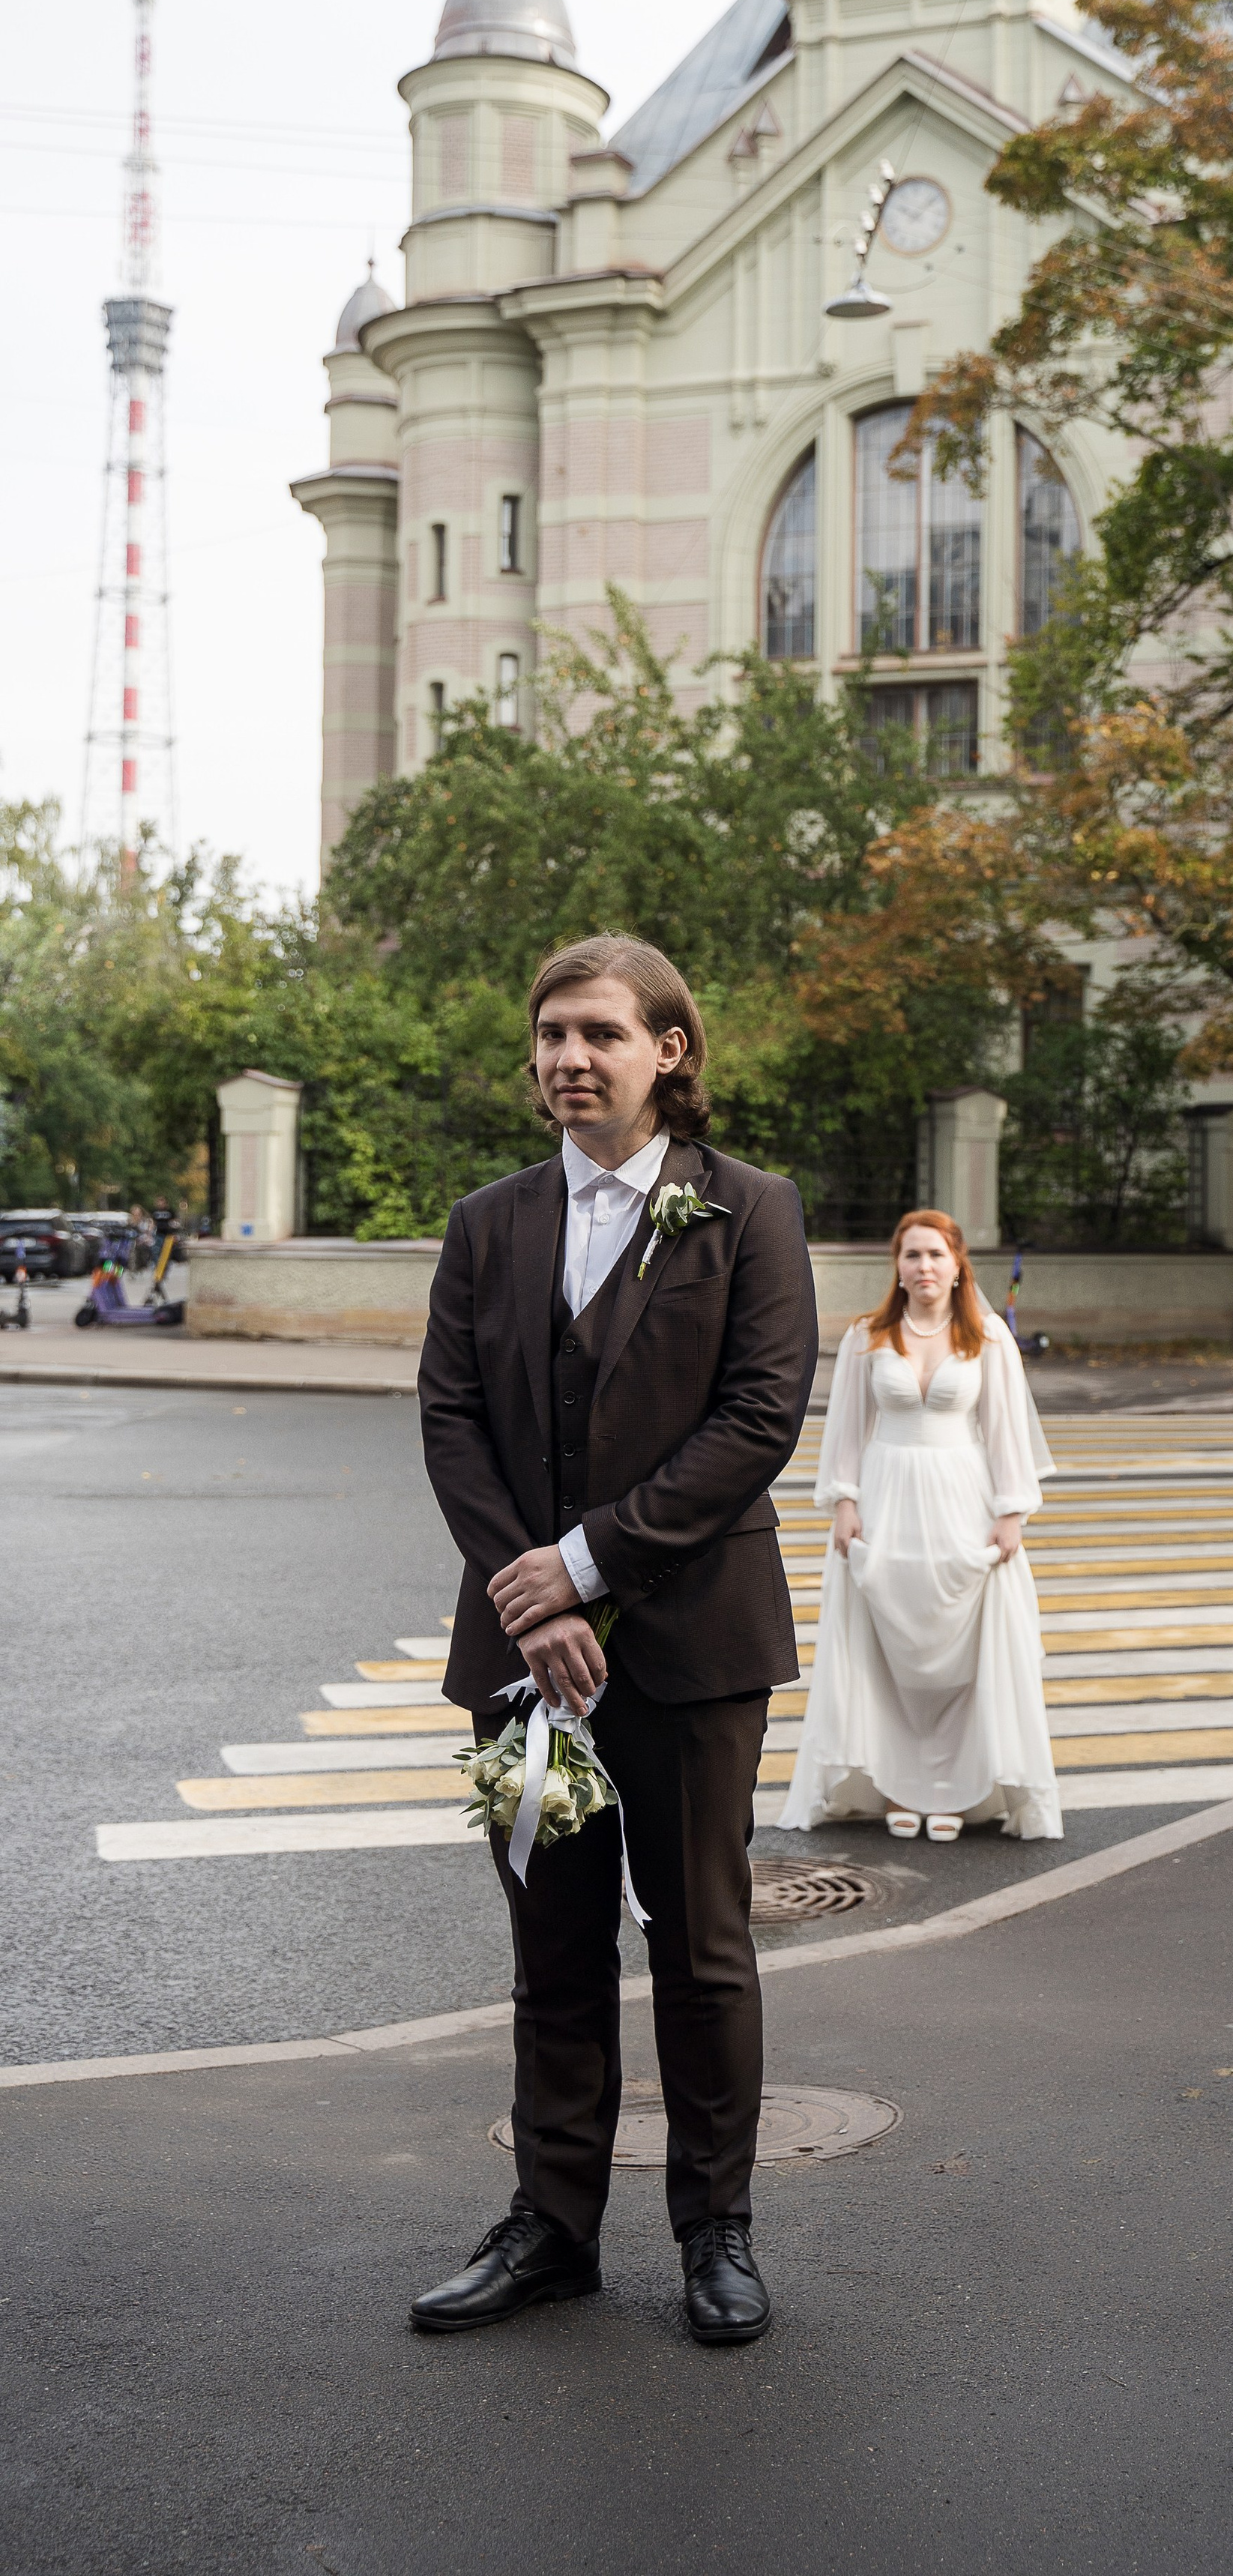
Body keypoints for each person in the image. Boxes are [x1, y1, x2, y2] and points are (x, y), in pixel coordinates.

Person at [411, 932, 817, 2346]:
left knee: (702, 1947)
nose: (568, 1059)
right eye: (549, 1035)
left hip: (695, 1649)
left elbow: (758, 1422)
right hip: (521, 1661)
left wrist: (584, 1568)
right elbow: (451, 1420)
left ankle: (717, 2230)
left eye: (597, 1034)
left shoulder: (750, 1212)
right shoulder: (489, 1223)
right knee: (554, 1948)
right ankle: (553, 2226)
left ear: (670, 1050)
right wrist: (532, 1600)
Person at [780, 1208, 1061, 1843]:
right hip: (886, 1502)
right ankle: (896, 1788)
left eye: (936, 1254)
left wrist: (1011, 1511)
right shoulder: (867, 1336)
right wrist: (844, 1503)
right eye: (912, 1255)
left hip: (962, 1500)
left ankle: (958, 1792)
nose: (925, 1266)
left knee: (959, 1655)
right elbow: (846, 1430)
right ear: (898, 1267)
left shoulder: (987, 1337)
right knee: (888, 1653)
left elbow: (1007, 1431)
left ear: (959, 1264)